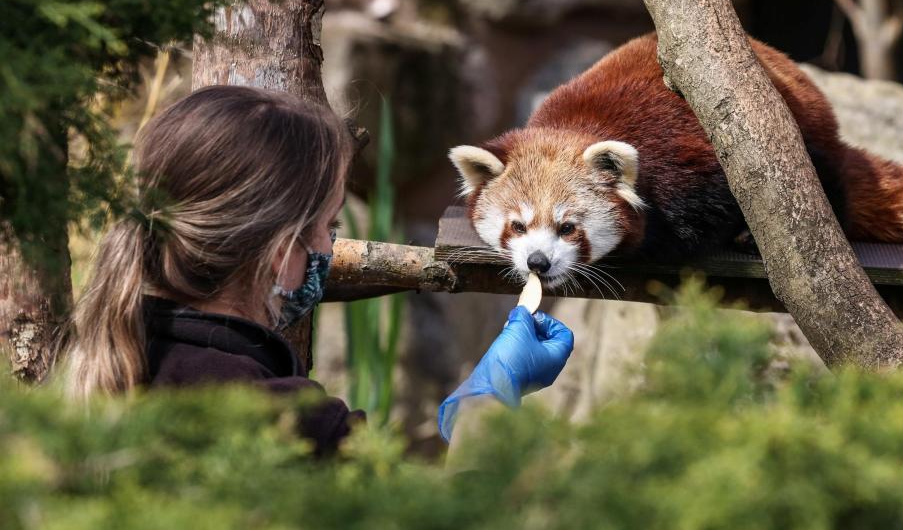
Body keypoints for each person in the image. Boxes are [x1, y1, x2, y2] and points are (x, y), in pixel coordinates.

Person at [59, 85, 574, 457]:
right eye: (329, 225)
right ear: (280, 248)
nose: (332, 245)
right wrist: (490, 394)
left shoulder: (110, 361)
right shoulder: (277, 417)